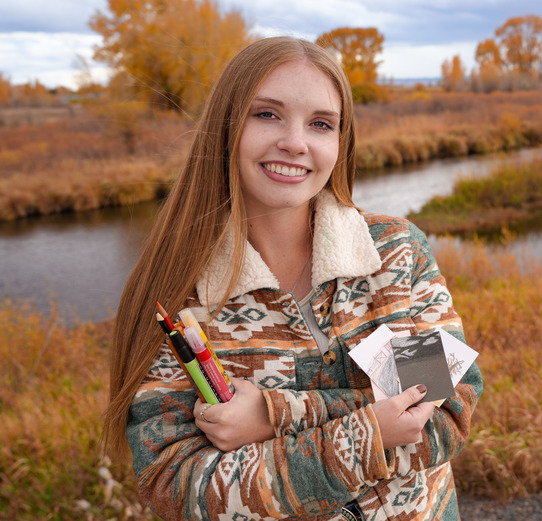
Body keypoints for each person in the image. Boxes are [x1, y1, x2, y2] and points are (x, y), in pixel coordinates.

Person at [102, 36, 482, 521]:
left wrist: (272, 417)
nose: (296, 142)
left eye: (321, 124)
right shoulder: (177, 292)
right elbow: (183, 490)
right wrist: (374, 430)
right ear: (225, 127)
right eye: (267, 114)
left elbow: (444, 417)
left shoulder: (395, 253)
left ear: (339, 142)